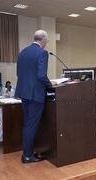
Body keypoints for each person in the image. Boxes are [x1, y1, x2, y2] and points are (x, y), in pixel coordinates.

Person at [15, 30, 56, 164]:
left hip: (23, 92)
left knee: (27, 124)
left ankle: (28, 152)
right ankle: (27, 156)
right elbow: (41, 75)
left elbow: (18, 73)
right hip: (35, 94)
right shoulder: (42, 53)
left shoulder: (23, 52)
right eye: (47, 41)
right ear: (43, 40)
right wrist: (50, 84)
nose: (46, 43)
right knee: (31, 125)